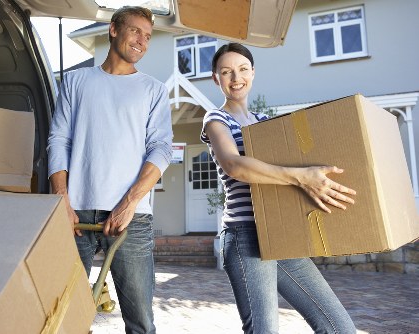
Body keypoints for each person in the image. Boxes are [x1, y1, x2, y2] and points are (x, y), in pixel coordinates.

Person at [200, 43, 357, 333]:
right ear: (216, 78)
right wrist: (301, 177)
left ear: (253, 73)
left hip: (280, 233)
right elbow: (235, 165)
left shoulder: (265, 125)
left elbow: (292, 167)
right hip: (245, 235)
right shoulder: (216, 120)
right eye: (226, 72)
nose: (236, 77)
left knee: (339, 327)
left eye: (243, 69)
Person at [47, 6, 172, 334]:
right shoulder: (75, 81)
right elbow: (58, 139)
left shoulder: (153, 90)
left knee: (141, 322)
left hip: (133, 218)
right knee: (61, 317)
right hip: (76, 215)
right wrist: (60, 197)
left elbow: (160, 149)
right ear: (114, 30)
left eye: (147, 36)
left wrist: (129, 202)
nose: (142, 41)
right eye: (135, 31)